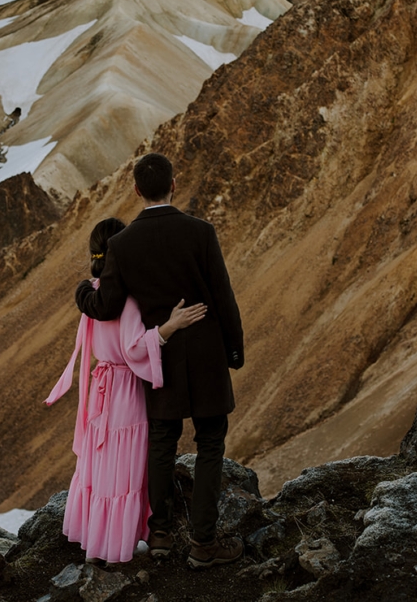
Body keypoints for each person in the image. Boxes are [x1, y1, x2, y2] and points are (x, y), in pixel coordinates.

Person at [75, 153, 246, 570]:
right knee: (210, 443)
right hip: (206, 354)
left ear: (136, 190)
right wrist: (234, 350)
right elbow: (222, 295)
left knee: (162, 442)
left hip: (160, 361)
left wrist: (82, 293)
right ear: (175, 182)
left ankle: (161, 533)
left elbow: (107, 304)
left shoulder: (122, 244)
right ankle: (204, 543)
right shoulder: (201, 232)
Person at [46, 217, 206, 565]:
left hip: (101, 387)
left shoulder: (93, 291)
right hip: (124, 389)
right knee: (125, 464)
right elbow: (134, 349)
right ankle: (119, 540)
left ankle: (95, 535)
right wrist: (170, 327)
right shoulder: (129, 300)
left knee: (101, 461)